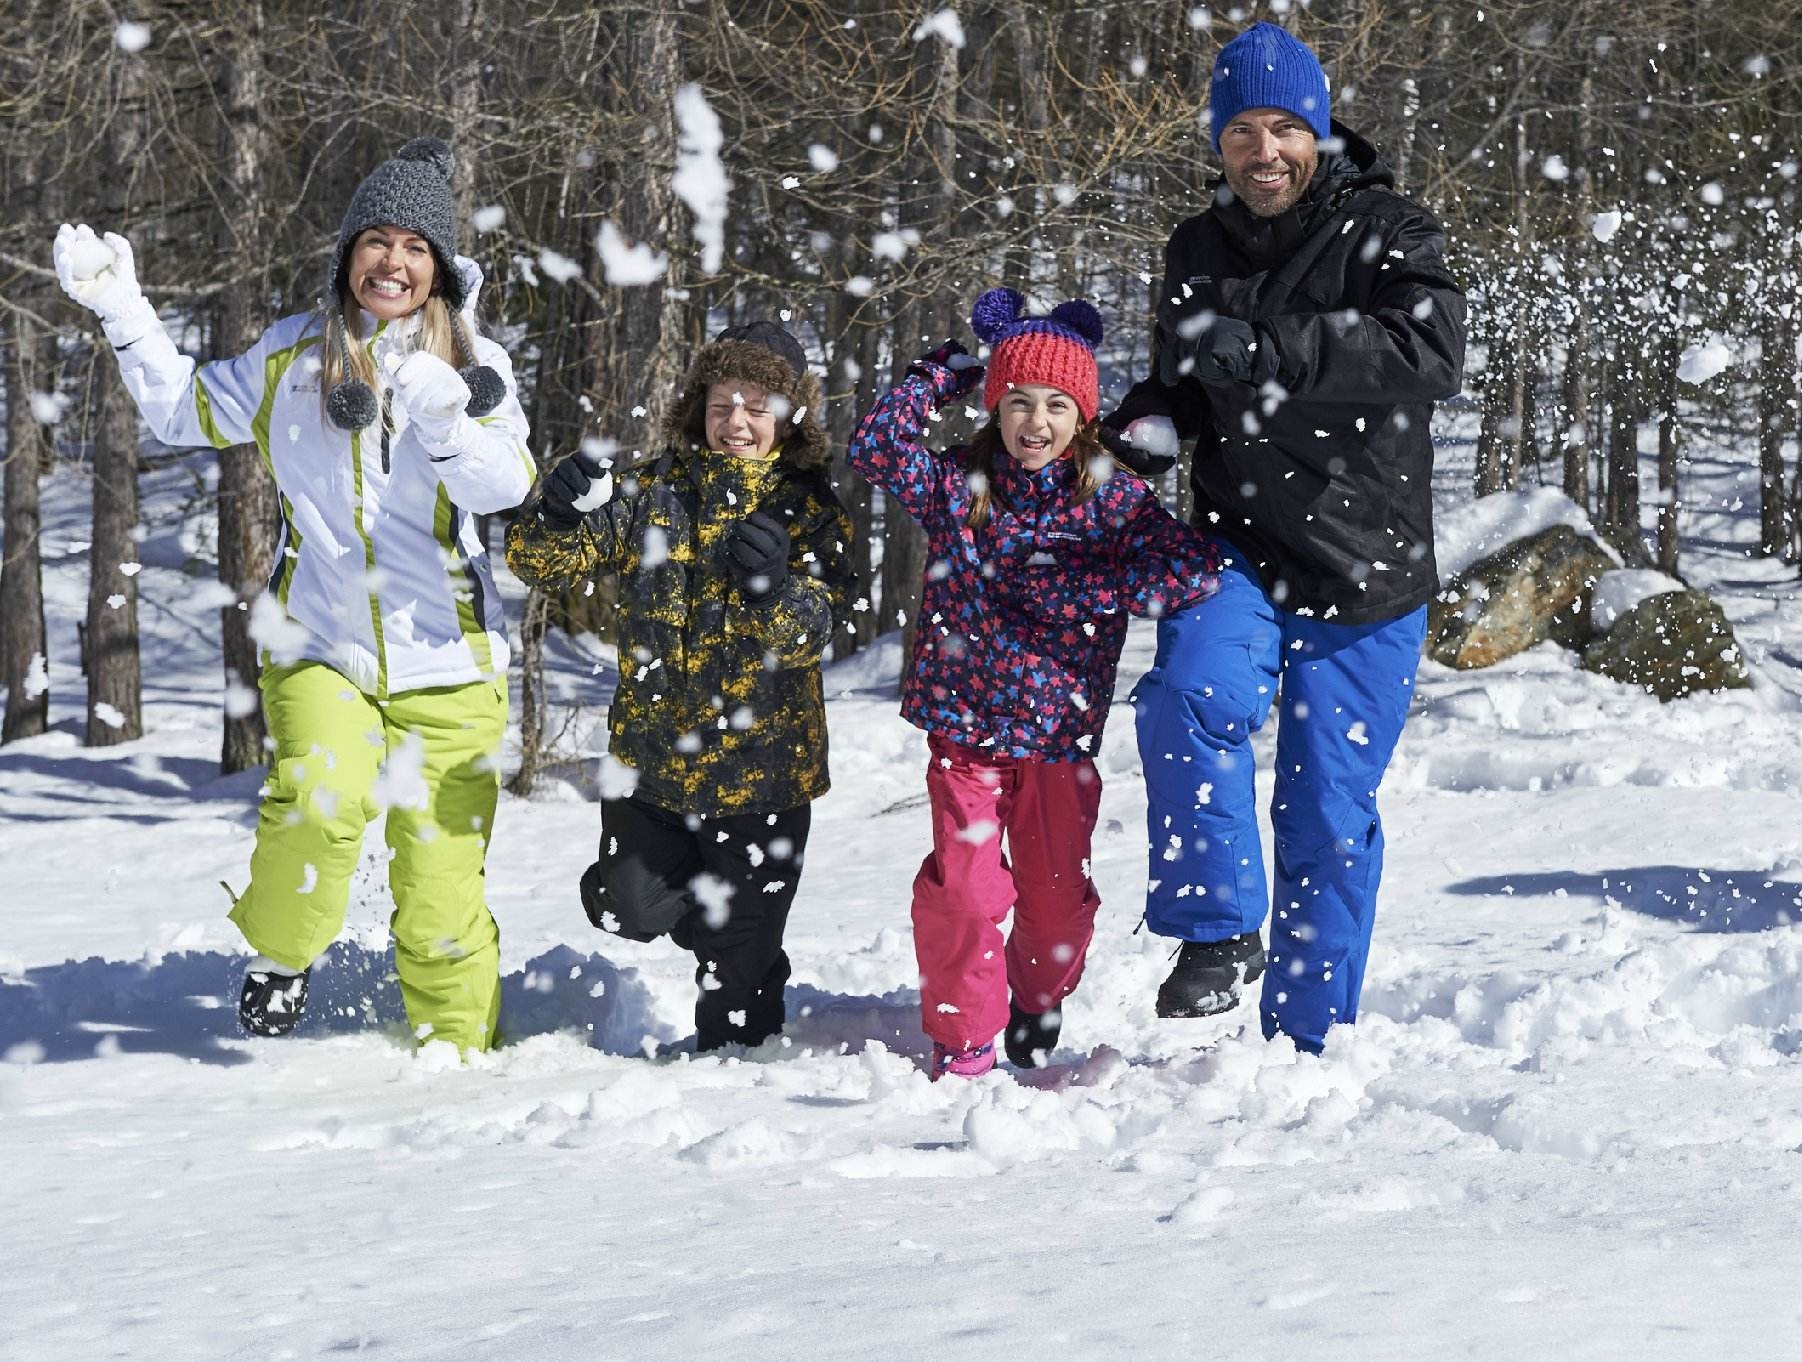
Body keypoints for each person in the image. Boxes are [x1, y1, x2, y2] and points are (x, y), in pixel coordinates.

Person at [50, 138, 536, 1053]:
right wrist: (122, 305)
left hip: (452, 664)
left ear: (438, 270)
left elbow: (506, 484)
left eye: (415, 248)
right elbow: (179, 409)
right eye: (376, 241)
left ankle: (460, 1055)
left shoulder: (482, 367)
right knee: (319, 803)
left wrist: (442, 424)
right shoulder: (293, 360)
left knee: (440, 888)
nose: (392, 262)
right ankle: (282, 955)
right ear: (349, 253)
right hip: (323, 647)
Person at [1101, 22, 1468, 1053]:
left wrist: (1271, 349)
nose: (1261, 154)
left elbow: (1427, 351)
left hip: (1366, 566)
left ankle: (1303, 1044)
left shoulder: (1388, 227)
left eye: (1281, 130)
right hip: (1236, 544)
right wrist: (1149, 422)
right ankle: (1217, 933)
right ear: (1215, 145)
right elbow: (1181, 377)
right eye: (1238, 135)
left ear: (1315, 130)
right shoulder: (1195, 247)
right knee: (1182, 699)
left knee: (1322, 817)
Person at [849, 287, 1222, 1078]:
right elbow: (877, 448)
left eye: (1056, 403)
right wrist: (934, 376)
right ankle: (965, 1042)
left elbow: (1190, 570)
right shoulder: (962, 486)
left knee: (1053, 906)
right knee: (966, 894)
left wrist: (1089, 589)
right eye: (1018, 401)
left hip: (1059, 738)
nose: (1036, 421)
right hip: (966, 732)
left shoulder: (1110, 496)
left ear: (1081, 414)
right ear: (994, 406)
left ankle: (1037, 996)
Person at [505, 321, 856, 1054]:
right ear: (699, 403)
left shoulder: (816, 509)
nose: (737, 421)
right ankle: (732, 931)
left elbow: (821, 627)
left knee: (739, 1005)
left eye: (759, 405)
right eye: (724, 400)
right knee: (624, 911)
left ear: (790, 418)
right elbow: (546, 566)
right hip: (654, 771)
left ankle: (737, 1073)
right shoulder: (651, 492)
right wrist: (557, 511)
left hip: (765, 780)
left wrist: (772, 593)